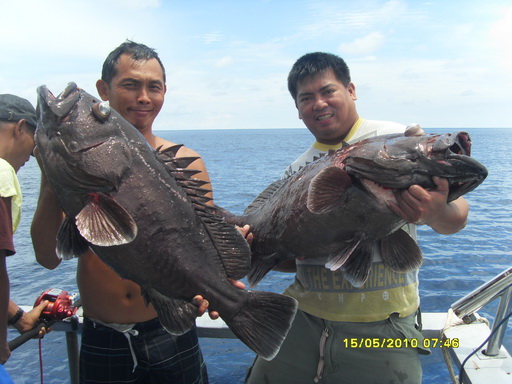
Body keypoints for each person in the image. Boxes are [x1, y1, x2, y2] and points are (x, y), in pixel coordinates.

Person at [32, 41, 250, 384]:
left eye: (154, 87)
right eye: (130, 84)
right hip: (102, 331)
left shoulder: (186, 162)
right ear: (104, 89)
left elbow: (204, 242)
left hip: (170, 330)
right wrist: (51, 181)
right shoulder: (75, 166)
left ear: (165, 92)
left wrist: (219, 283)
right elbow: (47, 257)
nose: (144, 97)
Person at [245, 52, 469, 384]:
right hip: (303, 319)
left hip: (384, 326)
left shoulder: (395, 138)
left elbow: (457, 216)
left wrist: (435, 211)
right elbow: (299, 260)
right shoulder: (295, 171)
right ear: (297, 108)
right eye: (307, 98)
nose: (319, 103)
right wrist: (252, 252)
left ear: (351, 90)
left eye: (328, 91)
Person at [0, 94, 50, 369]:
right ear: (20, 128)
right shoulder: (2, 173)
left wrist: (20, 318)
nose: (32, 157)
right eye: (35, 144)